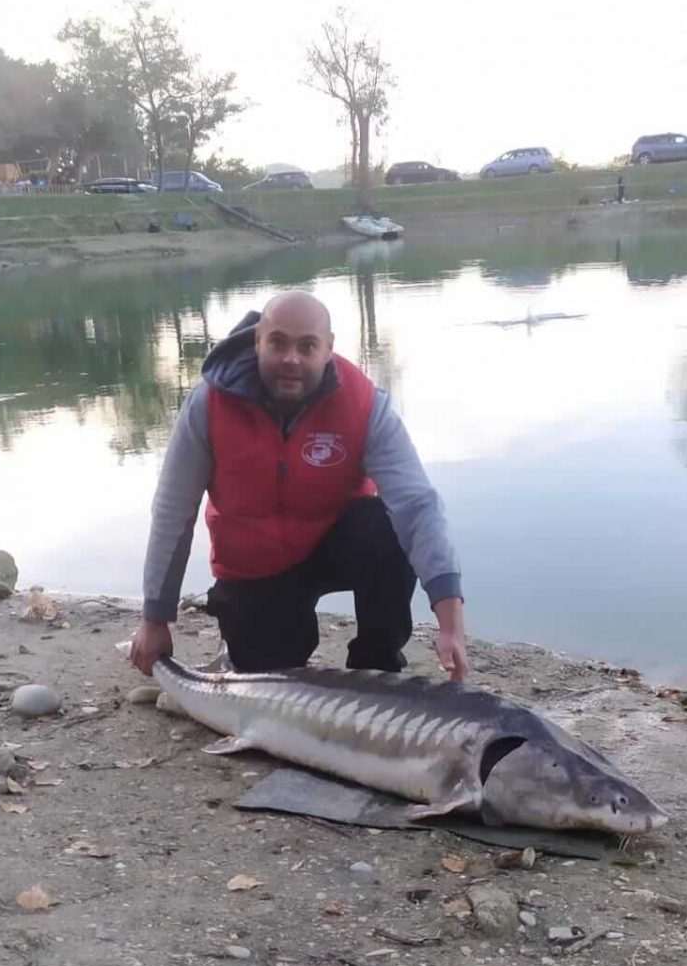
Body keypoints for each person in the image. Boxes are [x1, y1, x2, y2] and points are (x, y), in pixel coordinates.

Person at [130, 290, 468, 682]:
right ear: (258, 341)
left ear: (328, 350)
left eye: (307, 346)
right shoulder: (208, 404)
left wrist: (450, 623)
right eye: (278, 343)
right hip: (255, 568)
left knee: (389, 524)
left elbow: (417, 506)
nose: (291, 359)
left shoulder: (364, 404)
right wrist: (155, 618)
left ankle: (378, 668)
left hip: (335, 545)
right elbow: (174, 510)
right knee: (266, 678)